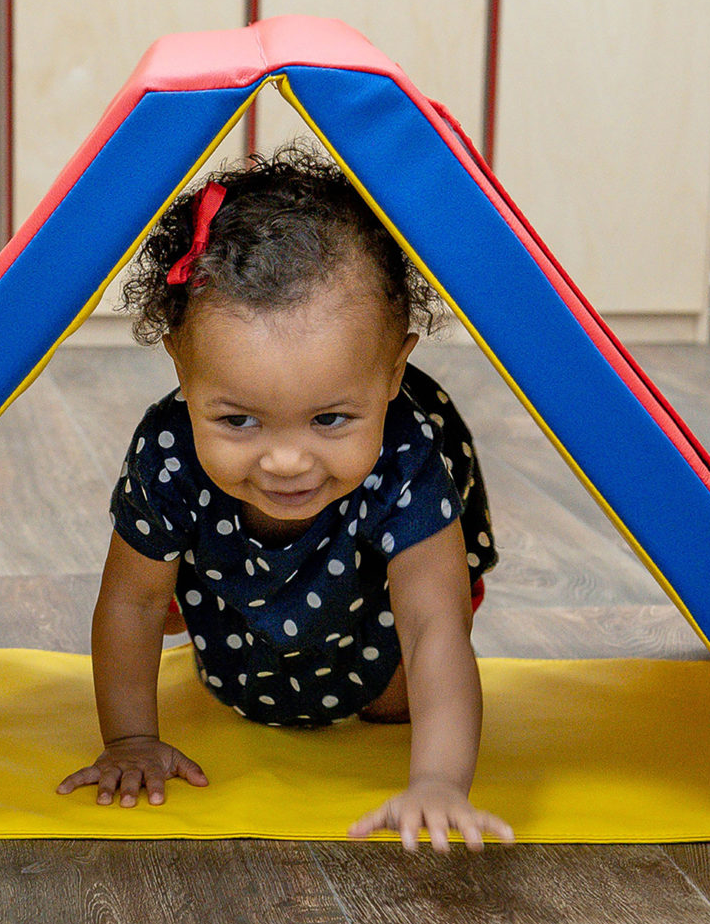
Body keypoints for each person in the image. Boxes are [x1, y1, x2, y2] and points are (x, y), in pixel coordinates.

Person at [56, 147, 511, 852]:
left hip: (378, 660)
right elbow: (132, 603)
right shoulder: (171, 450)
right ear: (181, 364)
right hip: (237, 661)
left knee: (399, 702)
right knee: (169, 599)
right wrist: (133, 740)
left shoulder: (405, 452)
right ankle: (230, 608)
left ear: (395, 372)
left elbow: (430, 628)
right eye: (238, 420)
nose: (287, 460)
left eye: (330, 419)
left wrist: (440, 782)